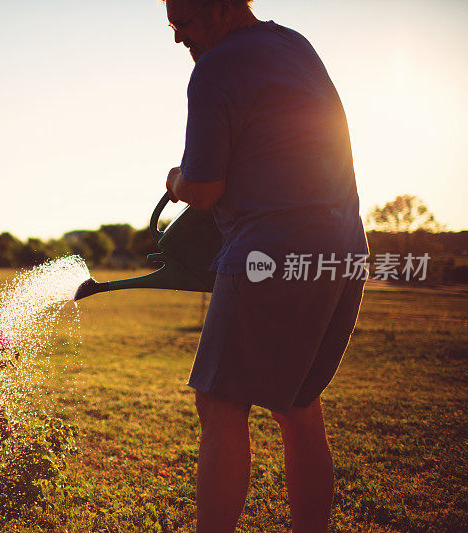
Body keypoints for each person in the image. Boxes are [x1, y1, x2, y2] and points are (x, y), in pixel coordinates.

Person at [162, 1, 370, 532]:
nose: (178, 37)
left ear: (222, 8)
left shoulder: (216, 67)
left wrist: (176, 181)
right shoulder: (293, 45)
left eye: (184, 22)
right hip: (343, 249)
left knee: (220, 403)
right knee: (299, 404)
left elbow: (204, 189)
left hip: (268, 253)